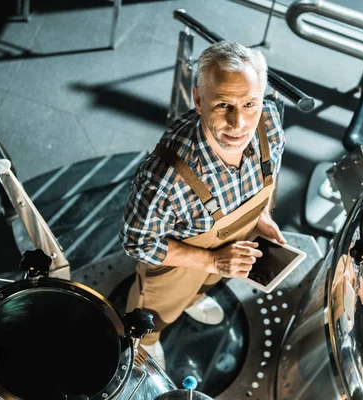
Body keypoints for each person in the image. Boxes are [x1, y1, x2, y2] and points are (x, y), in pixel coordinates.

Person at [119, 40, 287, 369]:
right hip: (175, 270)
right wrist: (211, 259)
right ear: (198, 99)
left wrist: (262, 216)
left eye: (250, 103)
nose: (239, 123)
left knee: (207, 282)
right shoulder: (167, 176)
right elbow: (136, 240)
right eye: (224, 104)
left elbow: (272, 171)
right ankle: (143, 345)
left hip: (229, 247)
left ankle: (195, 297)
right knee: (154, 314)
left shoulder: (268, 122)